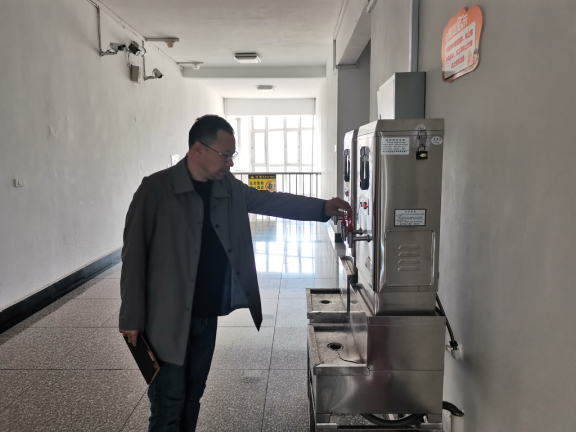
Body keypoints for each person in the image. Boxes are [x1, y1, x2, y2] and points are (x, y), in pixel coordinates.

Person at [119, 114, 352, 431]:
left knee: (193, 395)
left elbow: (271, 201)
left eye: (233, 155)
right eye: (225, 155)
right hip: (165, 318)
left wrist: (322, 207)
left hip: (206, 314)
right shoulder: (155, 190)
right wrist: (131, 316)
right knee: (168, 402)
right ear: (198, 149)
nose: (230, 163)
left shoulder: (226, 187)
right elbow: (134, 255)